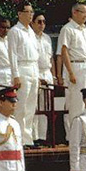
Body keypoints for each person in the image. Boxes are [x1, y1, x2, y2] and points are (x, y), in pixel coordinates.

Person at [57, 3, 86, 136]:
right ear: (74, 12)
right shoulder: (67, 29)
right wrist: (70, 72)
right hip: (76, 65)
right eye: (82, 12)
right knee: (76, 101)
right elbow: (64, 51)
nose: (85, 15)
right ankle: (73, 134)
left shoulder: (84, 29)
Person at [8, 1, 39, 148]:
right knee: (21, 105)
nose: (30, 15)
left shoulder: (31, 31)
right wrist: (16, 75)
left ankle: (28, 138)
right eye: (28, 12)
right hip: (22, 67)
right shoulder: (15, 31)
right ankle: (20, 138)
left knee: (31, 105)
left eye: (32, 12)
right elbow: (12, 54)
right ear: (20, 14)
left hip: (33, 67)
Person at [31, 11, 55, 146]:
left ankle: (42, 136)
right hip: (36, 72)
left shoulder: (47, 38)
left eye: (44, 22)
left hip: (47, 72)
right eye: (39, 22)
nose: (42, 25)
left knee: (46, 105)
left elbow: (50, 57)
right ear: (33, 23)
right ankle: (33, 136)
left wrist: (54, 75)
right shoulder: (30, 37)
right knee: (34, 105)